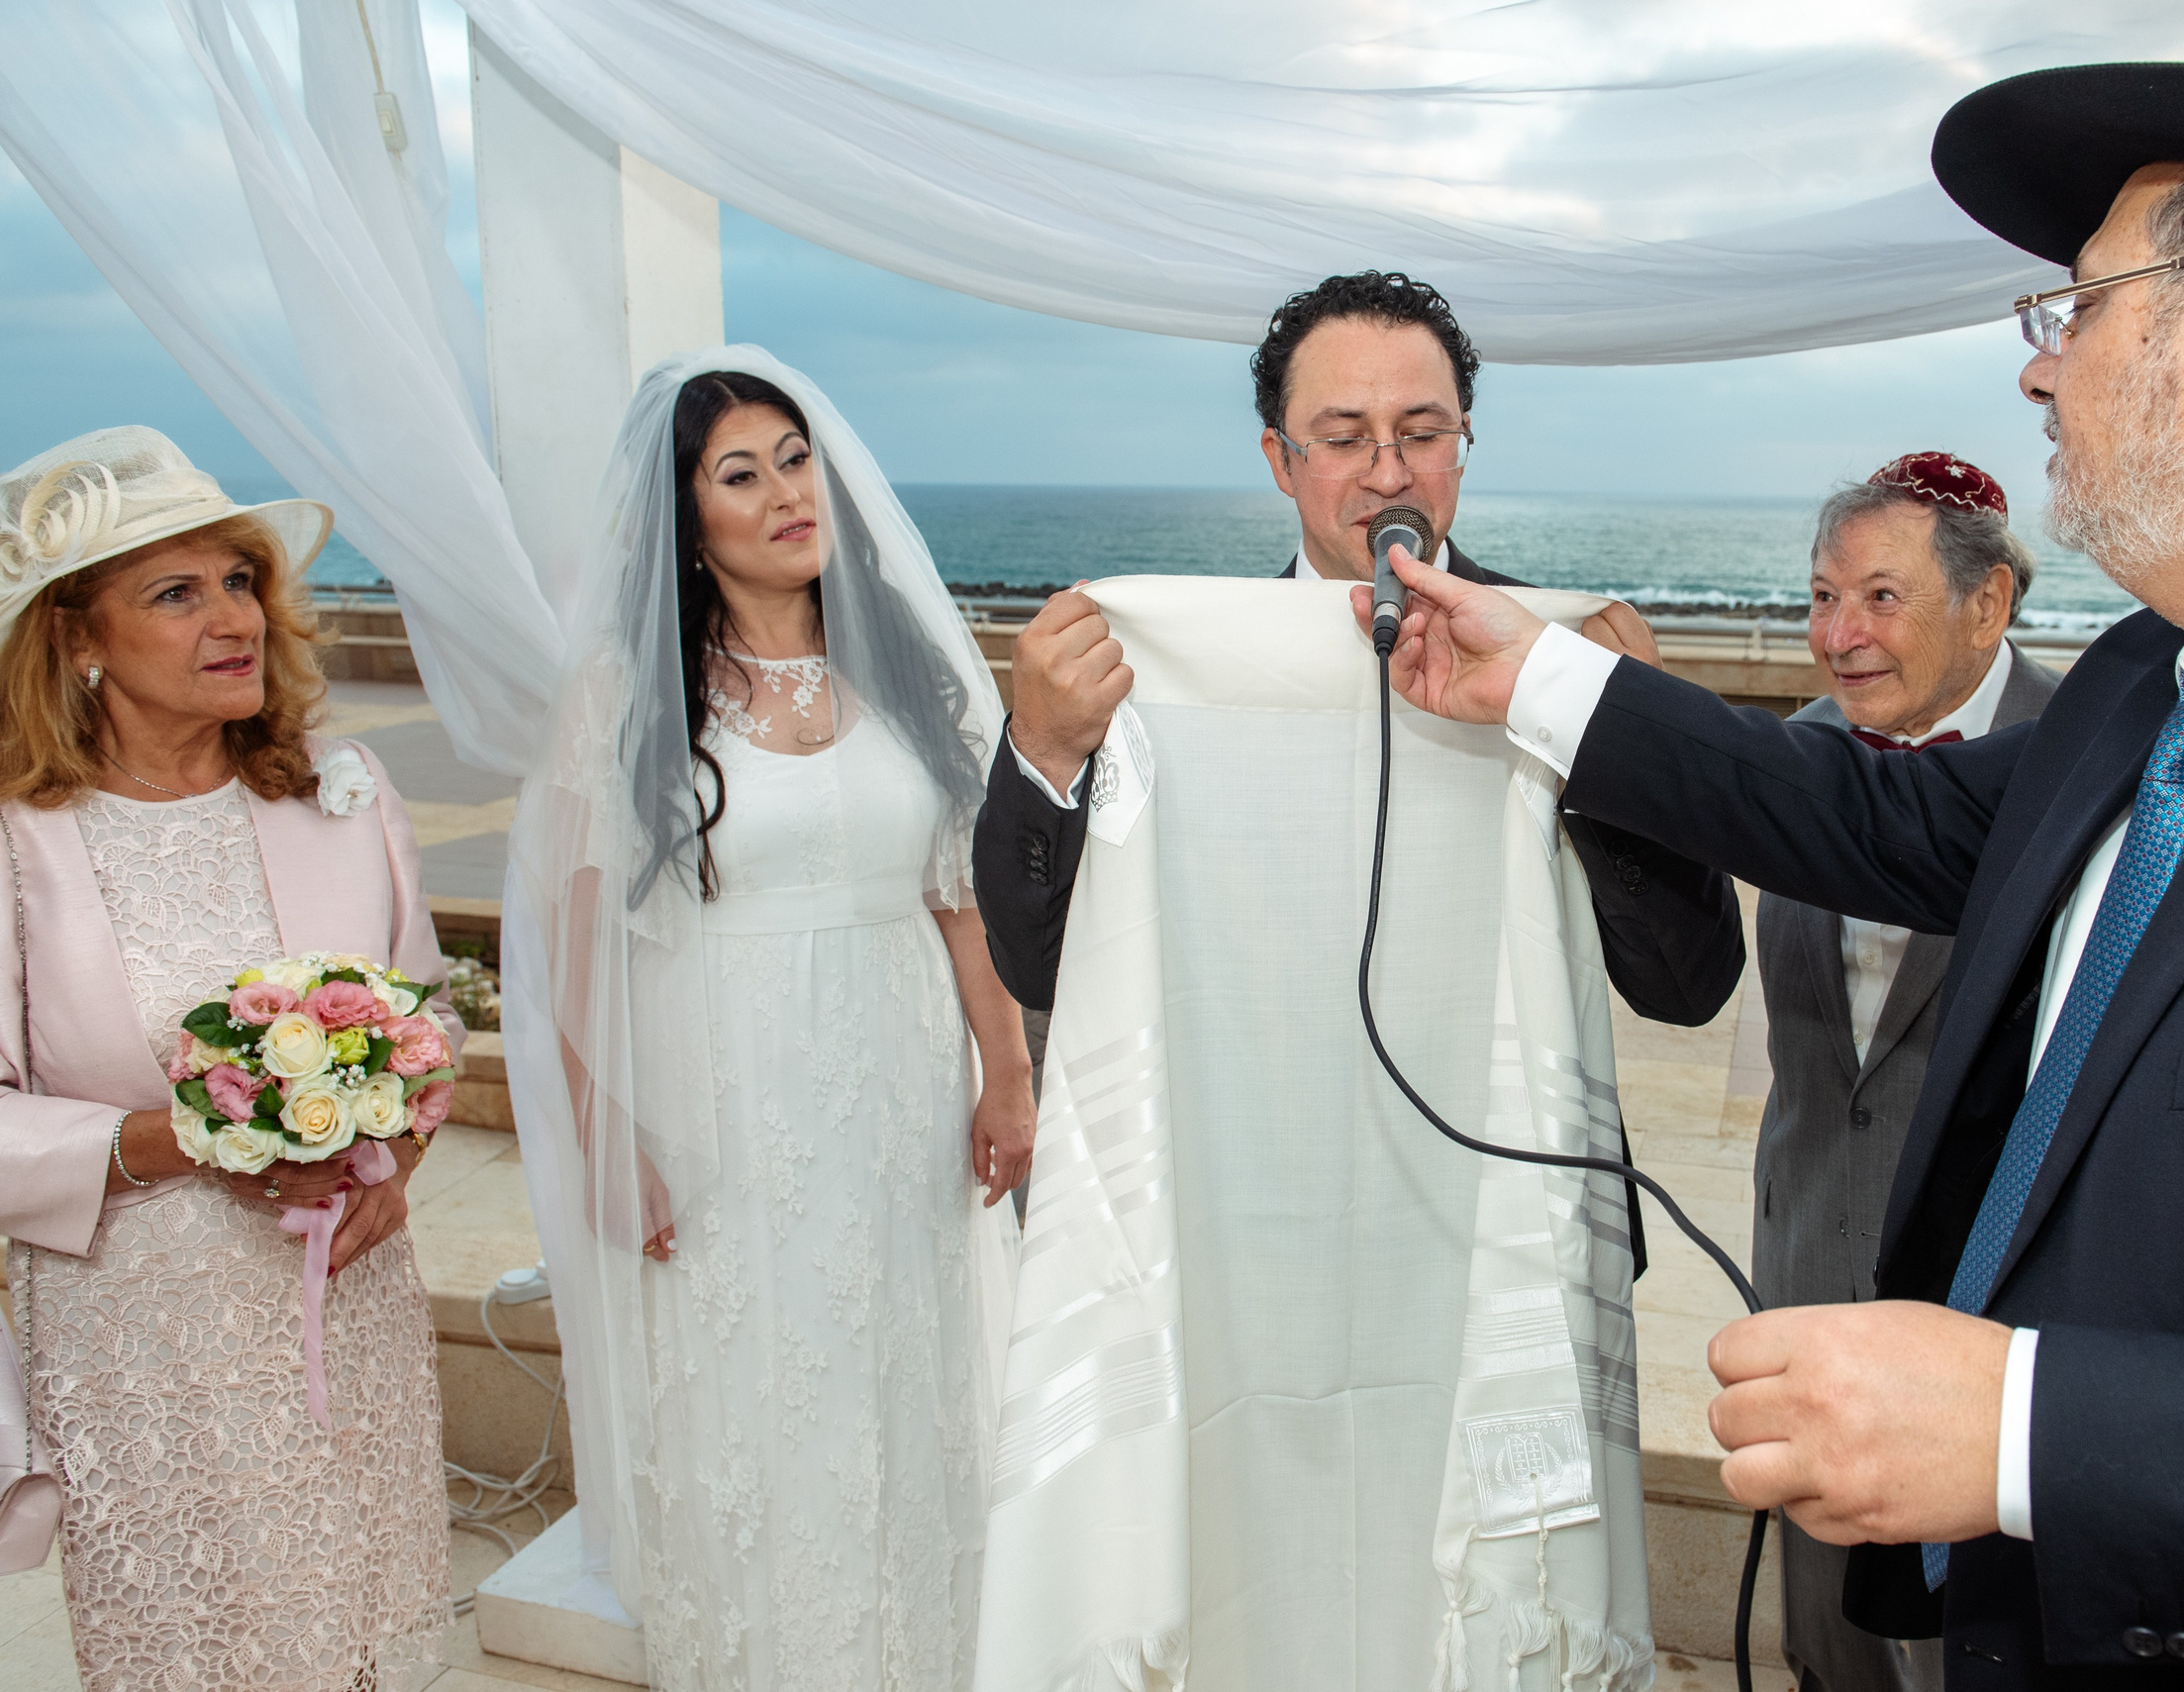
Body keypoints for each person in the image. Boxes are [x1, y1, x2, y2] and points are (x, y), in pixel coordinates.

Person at [1354, 0, 2184, 1679]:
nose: (2042, 363)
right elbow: (1865, 807)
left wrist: (2026, 1426)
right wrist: (1538, 677)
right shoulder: (2151, 680)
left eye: (2080, 304)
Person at [972, 269, 1746, 1268]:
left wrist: (1619, 748)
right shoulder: (1174, 671)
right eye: (1342, 438)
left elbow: (1687, 987)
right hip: (1253, 1212)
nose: (1388, 473)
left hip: (1508, 1212)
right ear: (1280, 459)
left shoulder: (1570, 656)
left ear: (1464, 441)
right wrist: (1040, 753)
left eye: (1422, 433)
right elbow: (1038, 967)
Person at [502, 348, 1032, 1691]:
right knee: (756, 1409)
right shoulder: (625, 700)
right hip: (722, 1090)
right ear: (688, 522)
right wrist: (607, 1127)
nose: (788, 490)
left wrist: (1008, 1069)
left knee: (907, 1393)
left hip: (900, 1087)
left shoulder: (914, 667)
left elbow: (959, 894)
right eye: (741, 473)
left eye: (797, 457)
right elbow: (570, 947)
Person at [0, 428, 455, 1688]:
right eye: (176, 591)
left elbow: (426, 1028)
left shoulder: (340, 794)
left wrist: (398, 1162)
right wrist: (176, 1136)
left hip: (346, 1296)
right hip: (140, 1325)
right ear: (77, 637)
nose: (231, 616)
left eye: (241, 581)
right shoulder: (20, 843)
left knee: (353, 1625)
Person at [1753, 452, 2056, 1692]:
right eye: (1823, 597)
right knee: (1826, 1654)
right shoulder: (1796, 753)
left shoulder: (2081, 763)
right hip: (1805, 1283)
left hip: (1979, 1319)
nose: (1840, 633)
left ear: (1985, 606)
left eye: (1879, 597)